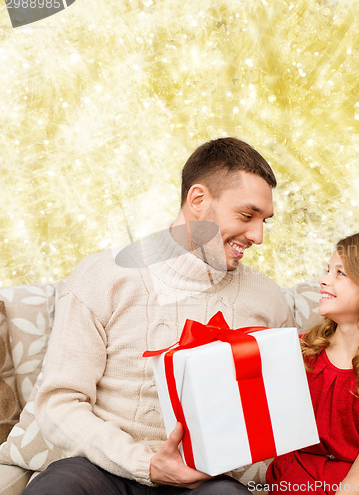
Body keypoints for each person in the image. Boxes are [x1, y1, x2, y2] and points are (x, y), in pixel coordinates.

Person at [23, 137, 296, 495]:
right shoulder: (103, 276)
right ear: (198, 200)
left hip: (205, 480)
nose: (258, 236)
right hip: (102, 469)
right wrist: (144, 464)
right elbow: (59, 402)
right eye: (246, 215)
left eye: (264, 220)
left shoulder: (268, 299)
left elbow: (280, 411)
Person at [266, 233, 359, 495]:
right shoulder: (298, 351)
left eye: (340, 273)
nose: (323, 279)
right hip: (301, 475)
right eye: (328, 270)